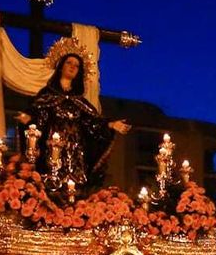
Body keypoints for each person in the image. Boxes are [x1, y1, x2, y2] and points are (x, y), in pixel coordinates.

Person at [13, 50, 131, 195]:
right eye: (69, 62)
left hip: (76, 152)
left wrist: (110, 125)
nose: (73, 67)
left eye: (77, 65)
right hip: (53, 148)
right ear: (61, 66)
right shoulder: (47, 96)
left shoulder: (79, 101)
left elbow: (92, 122)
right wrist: (29, 120)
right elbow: (38, 119)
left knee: (75, 189)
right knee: (51, 184)